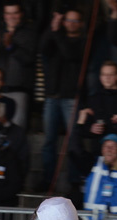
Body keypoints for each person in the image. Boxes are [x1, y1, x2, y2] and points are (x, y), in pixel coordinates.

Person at [39, 8, 86, 192]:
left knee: (73, 140)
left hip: (70, 98)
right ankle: (47, 179)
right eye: (68, 20)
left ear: (80, 24)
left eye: (75, 21)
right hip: (52, 96)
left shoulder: (82, 41)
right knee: (48, 141)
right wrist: (52, 29)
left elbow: (69, 53)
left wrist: (56, 32)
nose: (71, 24)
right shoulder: (55, 36)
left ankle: (74, 180)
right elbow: (42, 48)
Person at [0, 0, 37, 129]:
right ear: (4, 15)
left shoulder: (29, 33)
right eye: (8, 13)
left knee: (17, 130)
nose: (11, 17)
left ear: (21, 14)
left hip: (19, 90)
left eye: (15, 13)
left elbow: (29, 59)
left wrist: (11, 47)